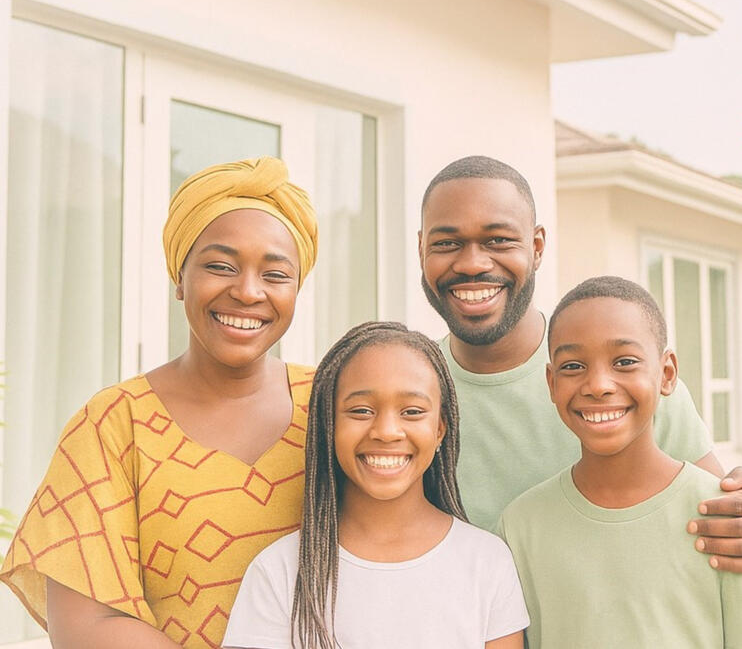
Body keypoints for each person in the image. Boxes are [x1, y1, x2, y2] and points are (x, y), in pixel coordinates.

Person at [0, 157, 318, 649]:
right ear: (179, 276)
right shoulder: (114, 423)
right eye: (220, 266)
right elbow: (86, 626)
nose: (248, 291)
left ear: (297, 290)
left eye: (275, 274)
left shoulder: (335, 406)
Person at [418, 155, 742, 570]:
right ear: (421, 249)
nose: (473, 263)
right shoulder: (412, 393)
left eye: (498, 240)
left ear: (536, 247)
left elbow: (714, 513)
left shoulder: (626, 379)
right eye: (446, 243)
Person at [222, 322, 529, 649]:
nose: (386, 431)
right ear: (329, 424)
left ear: (440, 429)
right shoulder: (279, 571)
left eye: (412, 411)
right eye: (361, 410)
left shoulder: (487, 562)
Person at [497, 276, 742, 647]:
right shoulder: (520, 527)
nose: (598, 384)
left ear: (667, 373)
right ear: (550, 383)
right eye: (573, 366)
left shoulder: (722, 520)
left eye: (624, 361)